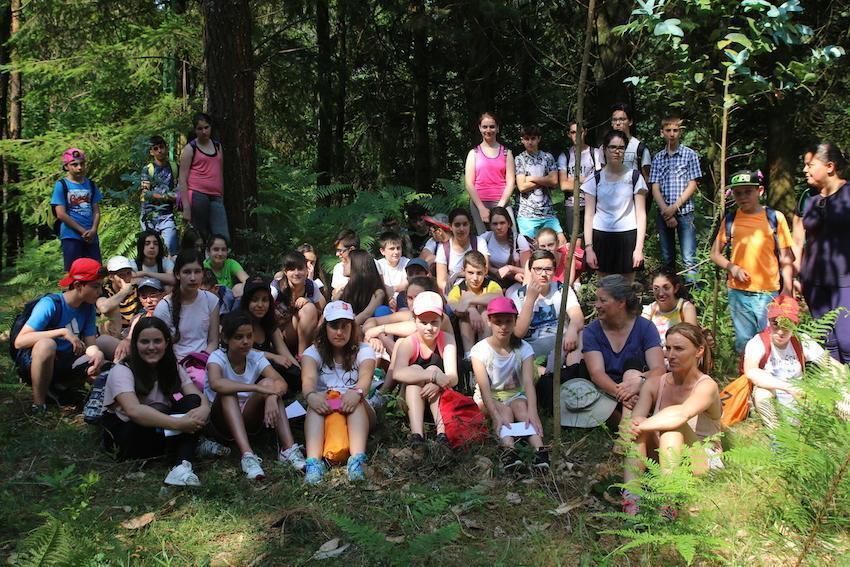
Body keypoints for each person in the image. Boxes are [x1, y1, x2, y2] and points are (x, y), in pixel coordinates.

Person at [623, 323, 721, 515]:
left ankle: (668, 502)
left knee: (673, 427)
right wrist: (637, 424)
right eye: (668, 348)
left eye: (679, 349)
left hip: (700, 461)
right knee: (638, 430)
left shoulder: (707, 386)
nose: (670, 355)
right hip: (663, 457)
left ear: (699, 351)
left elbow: (682, 413)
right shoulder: (655, 384)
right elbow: (634, 423)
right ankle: (631, 498)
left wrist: (643, 424)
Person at [101, 317, 210, 486]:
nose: (151, 347)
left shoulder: (171, 367)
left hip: (161, 428)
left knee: (192, 401)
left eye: (157, 341)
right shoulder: (123, 370)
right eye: (145, 342)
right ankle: (188, 449)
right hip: (130, 435)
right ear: (135, 344)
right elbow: (134, 411)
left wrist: (204, 409)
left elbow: (196, 396)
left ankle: (182, 466)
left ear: (166, 343)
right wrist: (180, 423)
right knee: (155, 416)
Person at [206, 311, 306, 481]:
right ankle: (247, 455)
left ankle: (288, 449)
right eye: (239, 337)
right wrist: (257, 389)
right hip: (220, 420)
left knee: (269, 384)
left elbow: (281, 382)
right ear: (226, 338)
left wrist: (272, 396)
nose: (245, 342)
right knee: (229, 391)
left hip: (248, 417)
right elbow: (217, 383)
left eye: (249, 336)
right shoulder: (217, 357)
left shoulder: (255, 356)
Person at [709, 169, 794, 353]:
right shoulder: (731, 219)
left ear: (760, 191)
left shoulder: (774, 218)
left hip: (768, 293)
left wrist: (787, 290)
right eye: (738, 193)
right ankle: (745, 379)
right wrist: (732, 268)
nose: (743, 197)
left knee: (770, 339)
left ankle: (767, 379)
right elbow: (714, 253)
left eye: (748, 191)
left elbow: (786, 257)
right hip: (738, 293)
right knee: (744, 343)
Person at [13, 258, 106, 414]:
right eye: (95, 286)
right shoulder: (50, 304)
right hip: (38, 362)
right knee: (47, 344)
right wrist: (62, 332)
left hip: (67, 360)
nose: (100, 292)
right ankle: (39, 403)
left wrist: (96, 353)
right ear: (78, 286)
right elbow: (20, 342)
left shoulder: (88, 307)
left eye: (101, 286)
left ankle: (63, 388)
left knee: (104, 356)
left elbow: (90, 343)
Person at [301, 301, 378, 483]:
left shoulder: (364, 350)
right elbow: (308, 382)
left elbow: (365, 380)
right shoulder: (312, 353)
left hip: (359, 407)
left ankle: (358, 461)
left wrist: (357, 392)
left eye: (345, 326)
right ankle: (313, 463)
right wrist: (311, 396)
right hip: (326, 407)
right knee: (314, 404)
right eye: (334, 326)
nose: (339, 332)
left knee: (355, 401)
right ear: (325, 327)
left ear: (352, 327)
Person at [471, 297, 548, 471]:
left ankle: (540, 451)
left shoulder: (524, 348)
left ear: (515, 322)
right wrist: (495, 415)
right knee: (504, 412)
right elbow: (484, 389)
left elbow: (528, 382)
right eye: (498, 322)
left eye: (508, 321)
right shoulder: (480, 351)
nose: (503, 327)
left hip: (515, 394)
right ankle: (510, 452)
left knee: (522, 409)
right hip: (489, 396)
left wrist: (533, 412)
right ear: (489, 321)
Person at [583, 275, 665, 418]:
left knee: (632, 372)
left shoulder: (645, 327)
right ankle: (629, 425)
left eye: (603, 300)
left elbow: (658, 369)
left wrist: (639, 382)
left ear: (621, 302)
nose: (597, 305)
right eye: (597, 300)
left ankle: (626, 427)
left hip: (639, 390)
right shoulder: (591, 331)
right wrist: (623, 394)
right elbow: (596, 374)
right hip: (607, 392)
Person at [745, 295, 831, 429]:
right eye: (776, 323)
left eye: (787, 325)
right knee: (763, 394)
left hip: (801, 396)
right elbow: (751, 372)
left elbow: (829, 365)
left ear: (795, 325)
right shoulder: (758, 342)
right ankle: (776, 437)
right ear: (769, 321)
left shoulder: (802, 341)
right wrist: (789, 387)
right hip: (774, 393)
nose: (780, 331)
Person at [799, 142, 850, 362]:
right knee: (826, 340)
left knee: (847, 340)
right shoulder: (810, 200)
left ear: (830, 166)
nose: (805, 169)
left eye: (811, 165)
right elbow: (801, 239)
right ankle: (836, 393)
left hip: (845, 280)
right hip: (813, 281)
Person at [392, 292, 459, 453]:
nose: (429, 328)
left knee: (434, 368)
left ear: (442, 320)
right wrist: (432, 377)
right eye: (423, 322)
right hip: (412, 401)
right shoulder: (408, 343)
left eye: (434, 322)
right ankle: (417, 436)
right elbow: (397, 373)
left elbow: (453, 376)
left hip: (439, 400)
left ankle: (442, 435)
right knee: (418, 370)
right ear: (415, 321)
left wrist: (436, 383)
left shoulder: (447, 339)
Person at [582, 130, 649, 281]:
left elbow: (641, 215)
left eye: (621, 148)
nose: (616, 151)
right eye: (612, 147)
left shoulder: (635, 177)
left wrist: (639, 249)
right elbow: (588, 216)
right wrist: (589, 248)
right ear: (604, 149)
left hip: (628, 236)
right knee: (605, 288)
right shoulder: (594, 178)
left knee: (626, 289)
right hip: (601, 236)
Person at [649, 114, 703, 281]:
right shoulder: (658, 157)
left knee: (689, 258)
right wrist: (666, 210)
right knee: (667, 258)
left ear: (680, 132)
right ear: (662, 133)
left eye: (675, 130)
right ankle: (671, 296)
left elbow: (693, 184)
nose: (672, 134)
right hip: (664, 213)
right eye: (668, 130)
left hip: (685, 212)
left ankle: (693, 298)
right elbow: (654, 186)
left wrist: (675, 208)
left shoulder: (689, 155)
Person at [508, 250, 583, 370]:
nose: (543, 274)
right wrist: (530, 301)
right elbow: (518, 333)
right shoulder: (518, 295)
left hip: (563, 343)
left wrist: (573, 329)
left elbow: (577, 316)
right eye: (538, 269)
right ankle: (550, 376)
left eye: (548, 269)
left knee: (581, 334)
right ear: (530, 270)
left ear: (554, 271)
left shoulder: (562, 289)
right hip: (533, 351)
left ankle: (573, 372)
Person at [153, 250, 220, 364]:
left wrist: (201, 361)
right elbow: (160, 346)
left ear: (202, 273)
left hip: (205, 361)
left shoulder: (211, 300)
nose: (193, 278)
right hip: (175, 365)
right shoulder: (164, 307)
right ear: (178, 274)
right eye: (187, 272)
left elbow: (213, 341)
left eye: (197, 272)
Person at [240, 277, 300, 393]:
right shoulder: (239, 322)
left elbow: (284, 352)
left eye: (265, 300)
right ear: (247, 301)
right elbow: (242, 350)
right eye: (255, 300)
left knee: (294, 373)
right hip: (246, 371)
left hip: (267, 370)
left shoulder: (268, 323)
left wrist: (299, 371)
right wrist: (272, 356)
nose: (260, 305)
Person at [178, 112, 229, 242]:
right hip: (197, 194)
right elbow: (182, 179)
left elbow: (220, 172)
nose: (204, 131)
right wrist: (186, 207)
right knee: (200, 235)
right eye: (200, 128)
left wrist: (221, 196)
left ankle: (217, 260)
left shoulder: (218, 146)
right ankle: (199, 261)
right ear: (195, 130)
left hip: (216, 196)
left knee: (222, 237)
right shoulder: (190, 149)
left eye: (206, 127)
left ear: (211, 127)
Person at [464, 112, 516, 234]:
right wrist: (481, 208)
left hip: (502, 202)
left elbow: (510, 183)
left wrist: (500, 206)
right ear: (479, 128)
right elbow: (469, 184)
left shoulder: (506, 153)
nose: (488, 130)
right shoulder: (473, 154)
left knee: (512, 236)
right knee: (484, 240)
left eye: (492, 126)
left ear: (497, 128)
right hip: (479, 204)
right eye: (485, 127)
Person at [52, 148, 102, 270]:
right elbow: (61, 214)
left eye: (82, 164)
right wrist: (82, 231)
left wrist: (93, 230)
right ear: (66, 166)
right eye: (74, 164)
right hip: (71, 236)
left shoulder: (91, 184)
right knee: (74, 272)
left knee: (96, 271)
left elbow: (96, 210)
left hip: (91, 236)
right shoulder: (62, 185)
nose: (79, 167)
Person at [447, 251, 502, 357]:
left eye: (479, 273)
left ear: (485, 271)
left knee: (486, 312)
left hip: (488, 330)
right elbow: (455, 307)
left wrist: (469, 300)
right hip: (464, 332)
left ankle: (484, 353)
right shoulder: (458, 289)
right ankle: (469, 356)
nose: (475, 278)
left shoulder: (491, 285)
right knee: (464, 318)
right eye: (471, 273)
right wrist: (471, 310)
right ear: (464, 272)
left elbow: (499, 298)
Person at [513, 125, 563, 242]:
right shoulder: (519, 159)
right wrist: (545, 179)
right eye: (526, 138)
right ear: (522, 140)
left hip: (548, 212)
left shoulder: (547, 157)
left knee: (560, 242)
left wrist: (530, 178)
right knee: (529, 248)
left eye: (533, 138)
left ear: (539, 139)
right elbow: (522, 187)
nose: (530, 142)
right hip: (527, 214)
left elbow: (555, 182)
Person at [271, 251, 323, 355]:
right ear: (285, 272)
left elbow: (323, 312)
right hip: (276, 334)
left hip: (299, 331)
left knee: (309, 308)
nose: (296, 273)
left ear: (306, 270)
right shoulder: (275, 289)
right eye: (291, 269)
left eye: (300, 268)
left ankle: (303, 355)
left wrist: (309, 301)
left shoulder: (311, 287)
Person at [558, 121, 603, 240]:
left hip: (593, 204)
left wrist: (575, 179)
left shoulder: (596, 154)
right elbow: (563, 185)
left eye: (580, 132)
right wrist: (589, 179)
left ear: (585, 132)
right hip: (572, 205)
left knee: (594, 241)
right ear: (568, 134)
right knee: (575, 242)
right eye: (573, 132)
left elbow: (599, 181)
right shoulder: (564, 156)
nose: (576, 135)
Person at [139, 135, 179, 256]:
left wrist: (178, 197)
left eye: (161, 147)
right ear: (151, 152)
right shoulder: (148, 169)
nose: (159, 150)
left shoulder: (174, 167)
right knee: (150, 252)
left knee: (172, 248)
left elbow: (180, 187)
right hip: (149, 215)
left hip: (167, 214)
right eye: (155, 148)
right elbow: (145, 193)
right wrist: (165, 196)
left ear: (166, 148)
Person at [641, 268, 698, 349]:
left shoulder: (686, 308)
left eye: (666, 288)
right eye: (656, 288)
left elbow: (692, 341)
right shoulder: (649, 311)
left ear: (676, 288)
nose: (661, 293)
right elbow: (640, 338)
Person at [435, 208, 489, 293]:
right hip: (453, 293)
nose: (461, 229)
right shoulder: (443, 249)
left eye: (465, 224)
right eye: (457, 225)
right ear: (450, 227)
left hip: (478, 288)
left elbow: (485, 270)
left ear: (469, 225)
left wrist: (457, 275)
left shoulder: (479, 242)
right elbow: (441, 282)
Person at [112, 277, 166, 362]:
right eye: (144, 297)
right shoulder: (138, 318)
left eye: (153, 295)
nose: (149, 301)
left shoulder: (170, 316)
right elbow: (129, 338)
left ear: (163, 295)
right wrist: (125, 341)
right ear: (140, 299)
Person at [481, 206, 531, 288]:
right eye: (495, 224)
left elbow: (528, 271)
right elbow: (483, 267)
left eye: (502, 223)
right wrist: (495, 271)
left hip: (517, 282)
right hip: (492, 281)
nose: (499, 227)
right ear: (490, 225)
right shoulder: (485, 239)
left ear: (509, 224)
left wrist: (510, 268)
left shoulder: (519, 240)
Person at [341, 250, 390, 324]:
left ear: (357, 265)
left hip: (371, 330)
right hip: (350, 329)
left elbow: (365, 315)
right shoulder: (348, 288)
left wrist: (346, 328)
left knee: (382, 310)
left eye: (346, 262)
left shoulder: (378, 292)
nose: (343, 265)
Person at [97, 256, 141, 339]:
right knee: (112, 308)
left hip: (132, 334)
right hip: (112, 336)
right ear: (111, 277)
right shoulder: (105, 291)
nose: (127, 278)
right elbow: (104, 308)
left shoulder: (137, 289)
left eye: (128, 273)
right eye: (121, 275)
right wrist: (124, 291)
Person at [607, 102, 651, 181]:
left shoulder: (640, 148)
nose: (618, 123)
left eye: (622, 119)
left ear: (630, 122)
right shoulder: (605, 148)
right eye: (614, 120)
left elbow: (647, 179)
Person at [203, 234, 249, 298]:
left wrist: (238, 288)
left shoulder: (230, 263)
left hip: (228, 302)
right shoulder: (202, 267)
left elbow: (248, 281)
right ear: (208, 251)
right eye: (216, 249)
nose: (220, 253)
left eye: (223, 249)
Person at [376, 231, 410, 301]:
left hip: (404, 300)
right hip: (384, 300)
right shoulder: (378, 265)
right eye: (392, 249)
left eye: (398, 248)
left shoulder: (407, 262)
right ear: (382, 251)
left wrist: (392, 289)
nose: (396, 252)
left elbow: (408, 282)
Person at [331, 229, 360, 298]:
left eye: (340, 250)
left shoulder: (370, 263)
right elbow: (335, 295)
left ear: (352, 249)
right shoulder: (338, 268)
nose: (337, 254)